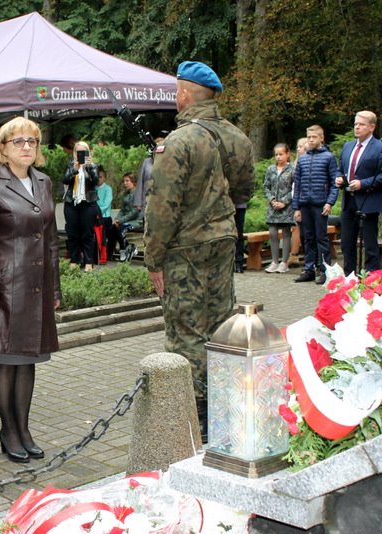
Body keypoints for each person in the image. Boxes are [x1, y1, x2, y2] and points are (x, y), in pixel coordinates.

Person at [144, 61, 254, 437]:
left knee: (187, 329)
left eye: (177, 92)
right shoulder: (238, 138)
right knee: (221, 323)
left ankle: (196, 417)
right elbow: (243, 192)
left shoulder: (179, 142)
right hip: (223, 240)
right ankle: (224, 407)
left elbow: (162, 207)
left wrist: (153, 259)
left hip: (185, 247)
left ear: (185, 95)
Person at [0, 117, 61, 464]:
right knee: (7, 360)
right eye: (18, 141)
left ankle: (24, 429)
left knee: (28, 360)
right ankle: (8, 431)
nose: (26, 147)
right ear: (3, 149)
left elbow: (51, 239)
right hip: (6, 288)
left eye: (32, 141)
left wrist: (55, 288)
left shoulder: (44, 182)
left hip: (36, 287)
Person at [335, 111, 382, 275]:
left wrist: (363, 183)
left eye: (361, 124)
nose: (357, 127)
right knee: (347, 243)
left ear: (372, 127)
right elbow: (340, 169)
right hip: (349, 200)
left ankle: (371, 280)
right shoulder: (348, 146)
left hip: (368, 200)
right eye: (355, 124)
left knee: (370, 244)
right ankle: (349, 278)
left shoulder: (379, 147)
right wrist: (339, 178)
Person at [292, 125, 339, 285]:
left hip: (320, 204)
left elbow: (334, 183)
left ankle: (325, 270)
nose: (311, 140)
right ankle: (309, 269)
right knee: (308, 238)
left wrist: (329, 202)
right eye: (309, 137)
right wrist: (296, 207)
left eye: (314, 137)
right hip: (305, 204)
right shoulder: (303, 159)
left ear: (321, 138)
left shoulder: (328, 157)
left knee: (321, 238)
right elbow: (297, 185)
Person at [62, 141, 100, 272]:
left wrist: (89, 167)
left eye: (84, 151)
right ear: (74, 153)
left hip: (88, 203)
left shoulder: (93, 166)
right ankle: (74, 260)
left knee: (87, 234)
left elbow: (96, 181)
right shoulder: (70, 165)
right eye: (78, 151)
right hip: (71, 203)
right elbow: (65, 180)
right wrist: (74, 169)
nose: (81, 154)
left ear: (89, 153)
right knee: (72, 233)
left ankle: (88, 261)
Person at [264, 143, 295, 273]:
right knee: (272, 233)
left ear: (287, 154)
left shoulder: (292, 170)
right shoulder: (271, 169)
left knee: (286, 233)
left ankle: (284, 262)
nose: (278, 157)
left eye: (281, 154)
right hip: (273, 207)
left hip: (286, 207)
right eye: (276, 154)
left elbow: (294, 188)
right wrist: (272, 200)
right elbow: (266, 187)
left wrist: (284, 202)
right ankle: (274, 261)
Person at [110, 172, 142, 262]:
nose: (125, 183)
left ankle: (125, 250)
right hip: (126, 220)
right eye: (124, 181)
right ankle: (127, 248)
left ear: (133, 182)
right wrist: (117, 219)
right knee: (114, 227)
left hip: (137, 220)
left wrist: (120, 221)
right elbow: (123, 210)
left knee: (121, 228)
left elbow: (135, 212)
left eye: (127, 181)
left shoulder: (138, 194)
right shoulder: (126, 194)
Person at [95, 167, 113, 262]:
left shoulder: (108, 189)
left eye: (100, 177)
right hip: (95, 216)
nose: (98, 179)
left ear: (104, 178)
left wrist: (97, 212)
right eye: (97, 177)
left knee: (104, 236)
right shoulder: (94, 188)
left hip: (105, 217)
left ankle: (104, 255)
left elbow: (106, 204)